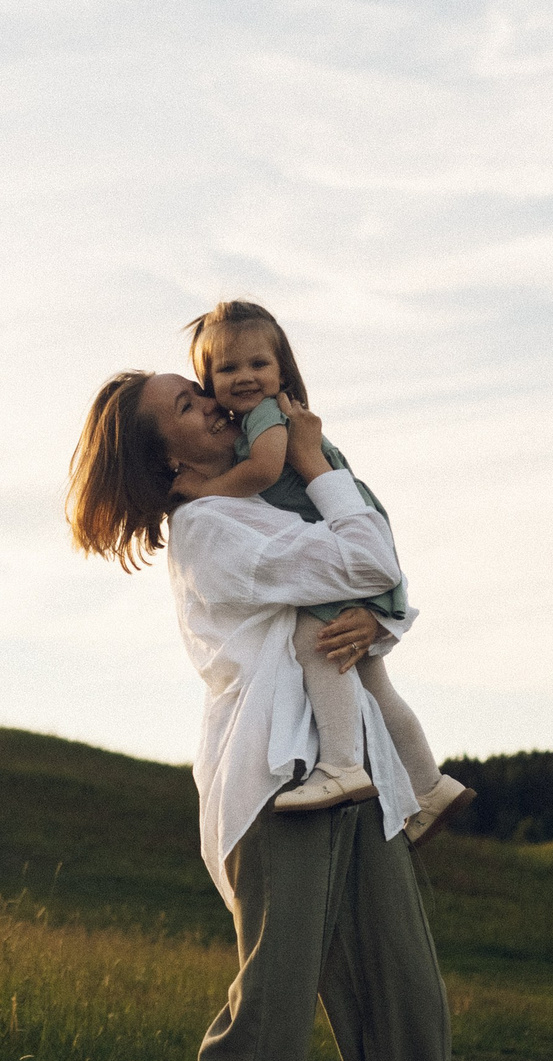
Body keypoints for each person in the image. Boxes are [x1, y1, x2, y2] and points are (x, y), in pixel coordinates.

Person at [66, 369, 451, 1061]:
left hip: (359, 779)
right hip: (280, 787)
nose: (215, 403)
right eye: (188, 406)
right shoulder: (208, 529)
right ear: (166, 460)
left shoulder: (262, 510)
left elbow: (381, 595)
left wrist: (371, 612)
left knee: (411, 1024)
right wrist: (316, 462)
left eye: (205, 392)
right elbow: (368, 558)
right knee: (268, 1031)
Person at [177, 301, 472, 841]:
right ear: (209, 381)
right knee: (374, 684)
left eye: (258, 364)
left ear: (282, 371)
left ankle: (340, 765)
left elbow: (265, 469)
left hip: (342, 537)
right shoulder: (265, 418)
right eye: (228, 368)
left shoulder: (267, 417)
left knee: (316, 645)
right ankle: (429, 785)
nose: (245, 377)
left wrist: (203, 489)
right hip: (348, 534)